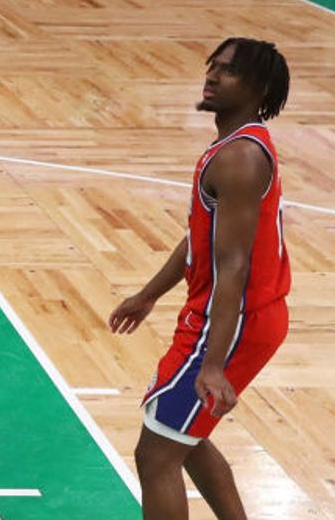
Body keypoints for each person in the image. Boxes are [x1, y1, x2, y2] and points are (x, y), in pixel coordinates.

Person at [109, 38, 291, 520]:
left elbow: (234, 265)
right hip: (233, 317)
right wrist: (149, 295)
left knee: (156, 455)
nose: (211, 76)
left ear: (258, 88)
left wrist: (213, 365)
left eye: (227, 72)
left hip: (231, 323)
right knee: (184, 440)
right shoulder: (232, 146)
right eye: (213, 66)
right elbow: (202, 238)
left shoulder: (240, 159)